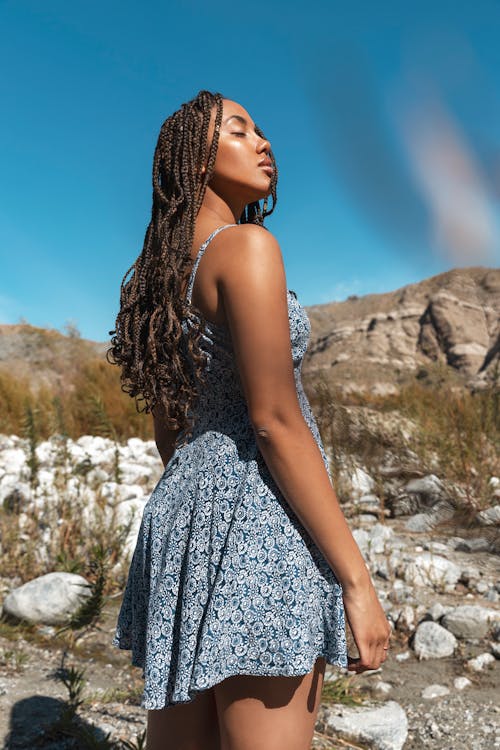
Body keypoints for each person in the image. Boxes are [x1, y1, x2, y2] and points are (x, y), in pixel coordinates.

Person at [107, 89, 392, 750]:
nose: (263, 141)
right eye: (239, 130)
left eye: (261, 129)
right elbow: (275, 422)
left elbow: (167, 431)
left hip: (181, 515)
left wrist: (200, 503)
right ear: (192, 161)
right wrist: (356, 580)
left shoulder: (162, 277)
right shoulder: (247, 248)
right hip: (260, 516)